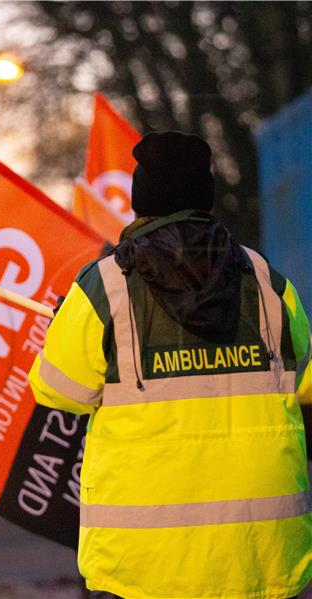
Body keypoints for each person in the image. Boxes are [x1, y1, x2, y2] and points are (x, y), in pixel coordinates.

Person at [28, 131, 311, 599]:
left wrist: (66, 326)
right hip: (261, 553)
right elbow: (304, 382)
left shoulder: (105, 285)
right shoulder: (267, 282)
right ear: (208, 199)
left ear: (141, 203)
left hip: (146, 561)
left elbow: (60, 390)